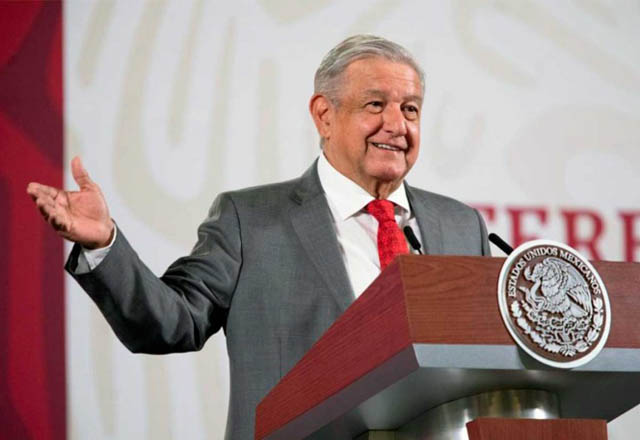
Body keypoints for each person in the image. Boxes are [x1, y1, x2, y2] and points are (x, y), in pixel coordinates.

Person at [27, 35, 490, 440]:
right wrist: (103, 243)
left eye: (410, 109)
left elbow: (488, 366)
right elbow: (171, 322)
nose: (397, 125)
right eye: (375, 105)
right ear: (324, 115)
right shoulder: (250, 221)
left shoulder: (460, 225)